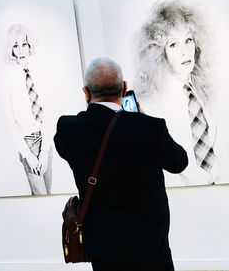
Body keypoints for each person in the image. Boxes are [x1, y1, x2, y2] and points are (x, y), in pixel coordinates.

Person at [54, 57, 188, 271]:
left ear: (86, 93)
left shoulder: (68, 129)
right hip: (150, 246)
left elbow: (67, 148)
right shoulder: (151, 128)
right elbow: (179, 163)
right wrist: (140, 119)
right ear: (125, 88)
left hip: (103, 247)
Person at [133, 0, 229, 186]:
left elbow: (221, 151)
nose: (185, 51)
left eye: (188, 40)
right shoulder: (150, 104)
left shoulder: (205, 90)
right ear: (159, 52)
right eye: (173, 44)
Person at [1, 24, 53, 195]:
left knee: (48, 195)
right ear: (11, 49)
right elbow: (11, 122)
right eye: (15, 46)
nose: (21, 50)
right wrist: (28, 156)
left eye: (24, 44)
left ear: (30, 45)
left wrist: (45, 150)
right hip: (27, 143)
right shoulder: (7, 79)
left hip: (45, 140)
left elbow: (48, 112)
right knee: (40, 197)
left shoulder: (41, 72)